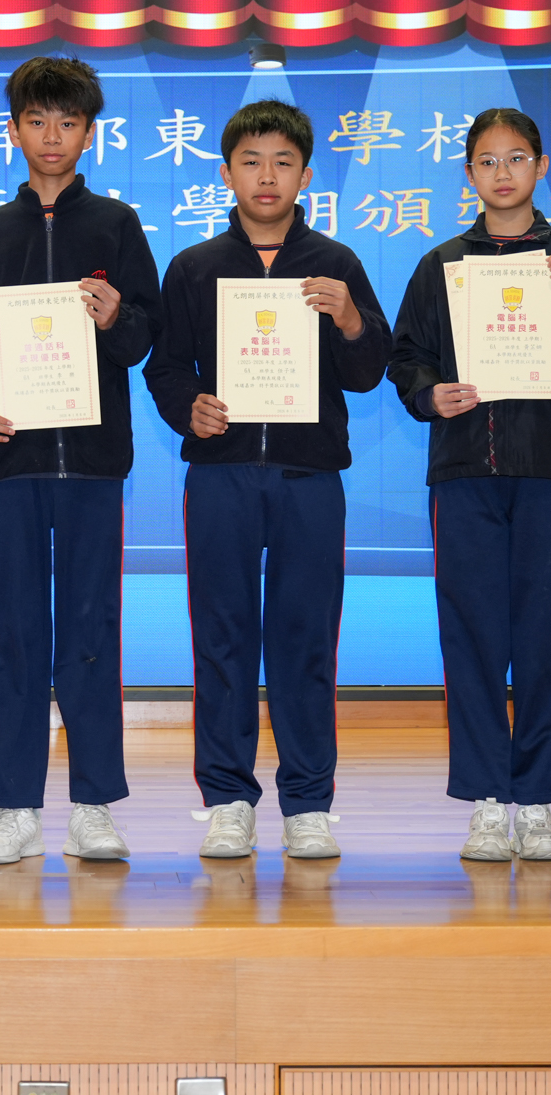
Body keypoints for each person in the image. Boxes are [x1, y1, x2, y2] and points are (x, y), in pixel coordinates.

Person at [143, 99, 389, 860]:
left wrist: (351, 320)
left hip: (309, 476)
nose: (267, 176)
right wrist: (190, 407)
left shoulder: (337, 264)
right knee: (221, 637)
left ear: (306, 175)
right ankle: (227, 799)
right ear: (227, 174)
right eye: (251, 162)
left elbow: (368, 370)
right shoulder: (194, 266)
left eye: (283, 162)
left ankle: (308, 802)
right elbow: (165, 368)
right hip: (221, 477)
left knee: (306, 637)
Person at [0, 56, 161, 865]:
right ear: (13, 130)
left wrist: (117, 316)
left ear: (89, 133)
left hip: (93, 463)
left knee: (93, 628)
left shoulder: (117, 226)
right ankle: (15, 806)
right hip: (10, 464)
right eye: (37, 121)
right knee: (16, 633)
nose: (52, 136)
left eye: (68, 122)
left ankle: (94, 804)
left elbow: (146, 338)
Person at [387, 108, 551, 862]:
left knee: (548, 638)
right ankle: (488, 799)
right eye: (487, 161)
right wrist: (430, 394)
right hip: (465, 473)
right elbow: (406, 358)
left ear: (542, 166)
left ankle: (539, 799)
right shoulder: (441, 266)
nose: (502, 173)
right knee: (472, 638)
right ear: (468, 174)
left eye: (516, 158)